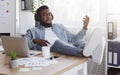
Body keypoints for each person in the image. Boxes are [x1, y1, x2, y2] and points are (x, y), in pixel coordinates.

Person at [25, 5, 89, 56]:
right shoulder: (32, 31)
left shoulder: (59, 27)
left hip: (68, 47)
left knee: (81, 42)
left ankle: (90, 49)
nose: (48, 17)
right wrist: (34, 41)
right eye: (44, 15)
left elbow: (73, 39)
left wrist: (84, 27)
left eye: (49, 14)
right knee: (57, 43)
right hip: (51, 50)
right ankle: (81, 52)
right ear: (38, 18)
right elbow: (24, 45)